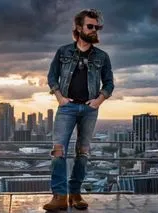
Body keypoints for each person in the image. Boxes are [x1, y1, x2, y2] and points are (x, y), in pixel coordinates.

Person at [44, 8, 114, 211]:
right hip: (67, 108)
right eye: (90, 26)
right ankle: (59, 196)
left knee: (82, 154)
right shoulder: (63, 51)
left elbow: (109, 84)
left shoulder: (102, 56)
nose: (94, 30)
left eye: (96, 27)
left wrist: (98, 101)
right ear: (78, 28)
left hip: (89, 109)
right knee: (58, 152)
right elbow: (51, 76)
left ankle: (75, 194)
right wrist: (60, 98)